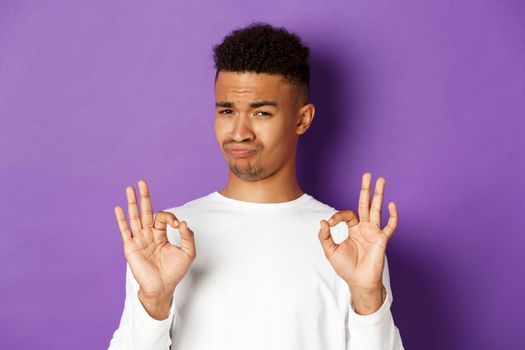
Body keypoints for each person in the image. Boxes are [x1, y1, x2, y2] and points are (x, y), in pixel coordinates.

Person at [108, 22, 404, 350]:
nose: (239, 132)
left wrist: (368, 298)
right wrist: (153, 300)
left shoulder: (349, 243)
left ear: (302, 119)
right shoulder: (167, 238)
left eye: (261, 112)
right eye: (226, 110)